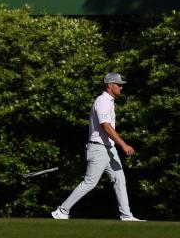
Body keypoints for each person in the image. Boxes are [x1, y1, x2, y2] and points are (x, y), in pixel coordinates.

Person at [51, 72, 145, 221]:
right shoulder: (102, 101)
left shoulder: (109, 102)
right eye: (118, 85)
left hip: (109, 148)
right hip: (99, 148)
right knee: (90, 183)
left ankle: (126, 215)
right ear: (110, 85)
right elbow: (106, 127)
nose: (121, 87)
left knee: (119, 180)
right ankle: (61, 211)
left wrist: (116, 145)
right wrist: (123, 144)